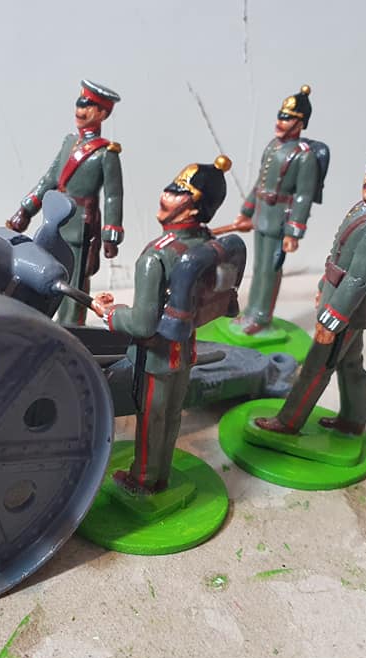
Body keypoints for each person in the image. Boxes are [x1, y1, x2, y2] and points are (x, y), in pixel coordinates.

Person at [255, 130, 366, 436]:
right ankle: (354, 418)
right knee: (351, 365)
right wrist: (322, 289)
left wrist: (332, 318)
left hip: (346, 312)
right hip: (340, 301)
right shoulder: (364, 210)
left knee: (317, 366)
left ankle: (289, 421)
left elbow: (358, 278)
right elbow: (339, 259)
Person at [92, 156, 232, 492]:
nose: (165, 195)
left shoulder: (155, 256)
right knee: (171, 417)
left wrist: (108, 313)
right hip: (185, 350)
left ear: (193, 206)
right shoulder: (205, 244)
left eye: (177, 191)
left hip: (155, 357)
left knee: (151, 419)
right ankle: (161, 474)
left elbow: (143, 323)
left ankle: (143, 479)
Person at [6, 80, 123, 326]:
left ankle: (71, 326)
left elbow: (114, 195)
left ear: (102, 114)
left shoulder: (106, 153)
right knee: (45, 266)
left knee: (73, 279)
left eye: (88, 107)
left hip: (81, 225)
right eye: (79, 105)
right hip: (54, 217)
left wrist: (111, 235)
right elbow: (49, 179)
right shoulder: (69, 143)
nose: (80, 111)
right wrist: (25, 210)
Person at [231, 85, 322, 334]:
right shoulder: (273, 146)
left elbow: (303, 196)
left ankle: (262, 317)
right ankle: (251, 311)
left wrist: (294, 232)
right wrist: (247, 210)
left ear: (300, 123)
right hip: (262, 216)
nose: (280, 122)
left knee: (270, 270)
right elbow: (260, 183)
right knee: (258, 267)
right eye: (281, 116)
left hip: (280, 220)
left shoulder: (304, 156)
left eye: (288, 118)